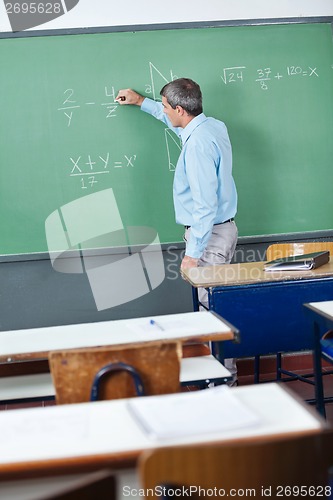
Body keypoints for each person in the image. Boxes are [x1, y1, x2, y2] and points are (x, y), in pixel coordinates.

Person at [116, 78, 238, 384]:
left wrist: (192, 254)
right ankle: (222, 378)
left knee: (212, 313)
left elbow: (205, 205)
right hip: (221, 230)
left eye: (168, 107)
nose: (166, 113)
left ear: (181, 109)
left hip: (208, 236)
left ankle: (223, 381)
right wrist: (141, 102)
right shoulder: (210, 126)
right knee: (213, 307)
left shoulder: (197, 145)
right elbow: (172, 120)